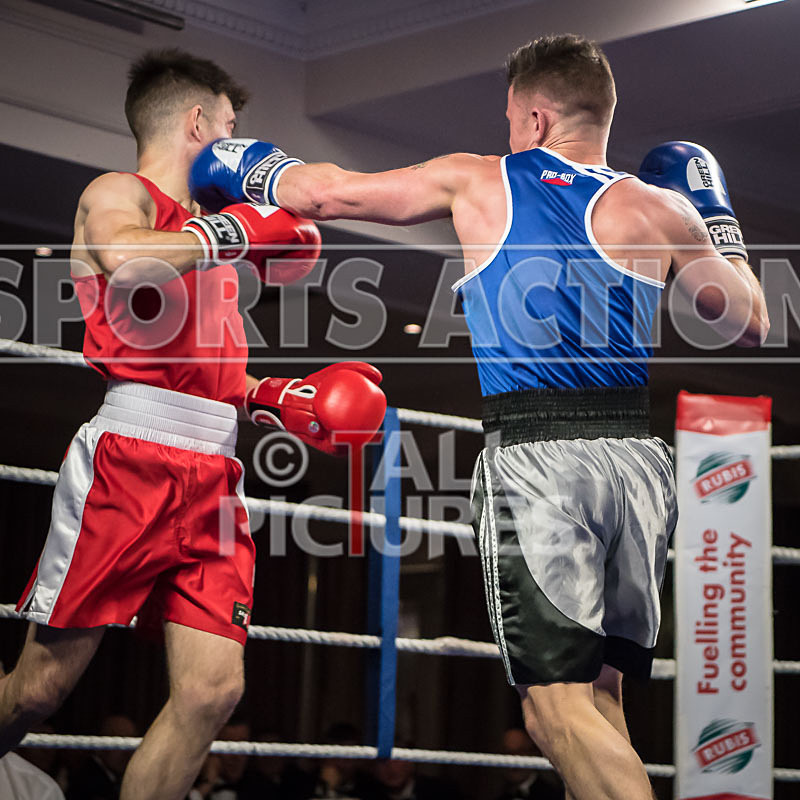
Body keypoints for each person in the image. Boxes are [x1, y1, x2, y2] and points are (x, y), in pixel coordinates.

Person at [188, 33, 769, 800]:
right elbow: (750, 320)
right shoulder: (658, 207)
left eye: (507, 118)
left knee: (555, 712)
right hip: (636, 465)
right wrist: (715, 215)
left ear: (532, 117)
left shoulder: (481, 180)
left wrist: (243, 162)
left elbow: (329, 194)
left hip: (540, 460)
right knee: (599, 703)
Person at [0, 49, 386, 800]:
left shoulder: (208, 240)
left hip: (213, 476)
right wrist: (239, 227)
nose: (239, 147)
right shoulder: (121, 194)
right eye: (233, 127)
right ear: (199, 123)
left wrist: (276, 396)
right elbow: (127, 262)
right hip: (129, 464)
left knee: (212, 693)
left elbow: (203, 373)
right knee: (38, 692)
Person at [66, 714, 138, 800]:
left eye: (131, 743)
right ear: (100, 745)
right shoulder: (88, 780)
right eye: (119, 742)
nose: (128, 751)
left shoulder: (118, 777)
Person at [495, 729, 562, 800]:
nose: (513, 761)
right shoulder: (501, 797)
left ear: (533, 754)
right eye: (508, 753)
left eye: (520, 753)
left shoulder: (553, 796)